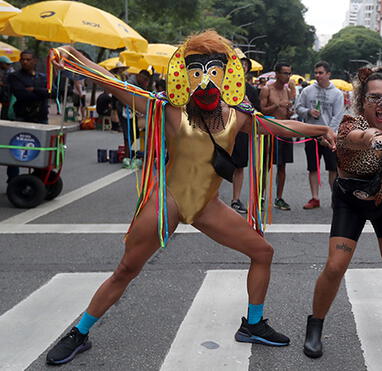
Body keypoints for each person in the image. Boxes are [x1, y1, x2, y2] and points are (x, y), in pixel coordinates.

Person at [44, 30, 337, 366]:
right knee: (126, 269)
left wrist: (322, 131)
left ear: (227, 77)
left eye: (213, 73)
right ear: (185, 76)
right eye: (197, 73)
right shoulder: (170, 111)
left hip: (207, 207)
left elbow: (277, 127)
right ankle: (79, 332)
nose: (206, 83)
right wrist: (74, 57)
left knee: (263, 252)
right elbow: (116, 85)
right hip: (166, 202)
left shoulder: (237, 115)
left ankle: (253, 324)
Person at [303, 66, 382, 359]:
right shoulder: (349, 122)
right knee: (335, 265)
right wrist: (373, 138)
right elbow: (356, 136)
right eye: (375, 98)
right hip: (351, 199)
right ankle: (315, 324)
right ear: (361, 99)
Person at [295, 61, 345, 209]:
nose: (317, 75)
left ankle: (335, 198)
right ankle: (315, 198)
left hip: (329, 137)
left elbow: (338, 116)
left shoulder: (337, 93)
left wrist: (328, 134)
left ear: (328, 74)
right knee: (313, 167)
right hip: (311, 133)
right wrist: (308, 112)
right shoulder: (307, 91)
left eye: (321, 73)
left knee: (333, 169)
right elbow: (298, 108)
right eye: (316, 72)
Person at [6, 50, 49, 181]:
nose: (25, 62)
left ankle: (39, 177)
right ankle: (13, 179)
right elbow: (22, 94)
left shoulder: (43, 77)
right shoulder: (15, 76)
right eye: (23, 59)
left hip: (41, 118)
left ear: (34, 61)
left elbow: (51, 92)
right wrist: (41, 93)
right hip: (21, 117)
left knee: (41, 150)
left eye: (28, 59)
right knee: (16, 149)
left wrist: (35, 89)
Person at [260, 62, 296, 210]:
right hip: (270, 132)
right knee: (265, 166)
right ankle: (261, 197)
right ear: (276, 74)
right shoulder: (266, 89)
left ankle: (279, 198)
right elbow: (261, 111)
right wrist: (277, 105)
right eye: (285, 73)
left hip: (285, 130)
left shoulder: (287, 91)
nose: (287, 76)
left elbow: (286, 112)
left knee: (282, 166)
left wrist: (289, 111)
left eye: (289, 73)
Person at [230, 52, 262, 214]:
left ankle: (235, 199)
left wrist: (250, 107)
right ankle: (209, 198)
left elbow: (258, 111)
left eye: (245, 66)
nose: (241, 68)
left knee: (240, 166)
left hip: (242, 132)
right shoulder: (223, 86)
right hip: (224, 131)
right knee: (217, 164)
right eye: (238, 64)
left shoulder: (251, 89)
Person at [0, 55, 14, 120]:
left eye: (8, 64)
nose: (8, 66)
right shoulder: (4, 72)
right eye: (7, 64)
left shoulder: (11, 73)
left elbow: (11, 86)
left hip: (8, 98)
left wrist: (2, 84)